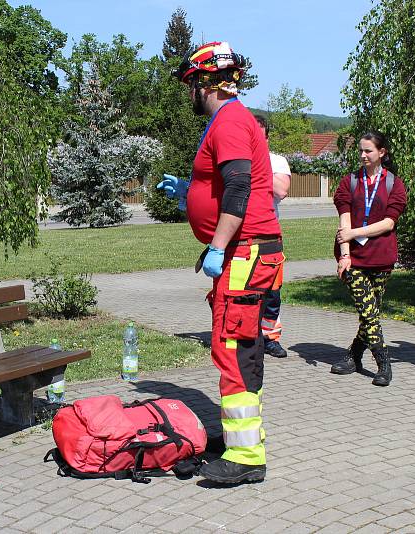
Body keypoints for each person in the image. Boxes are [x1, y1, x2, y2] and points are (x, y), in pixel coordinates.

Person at [157, 41, 283, 484]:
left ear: (204, 81)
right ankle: (241, 441)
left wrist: (219, 245)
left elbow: (237, 188)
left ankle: (247, 458)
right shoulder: (231, 119)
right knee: (241, 345)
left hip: (245, 251)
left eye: (190, 83)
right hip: (243, 249)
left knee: (233, 346)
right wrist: (192, 201)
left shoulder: (229, 121)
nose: (188, 92)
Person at [331, 131, 407, 386]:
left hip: (382, 259)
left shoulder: (394, 184)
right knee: (369, 311)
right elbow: (344, 220)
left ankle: (354, 355)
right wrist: (345, 255)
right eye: (361, 151)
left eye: (368, 151)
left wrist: (355, 232)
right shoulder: (349, 182)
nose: (363, 155)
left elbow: (388, 223)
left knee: (370, 312)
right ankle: (383, 363)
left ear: (381, 153)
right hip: (354, 260)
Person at [255, 115, 291, 358]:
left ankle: (270, 338)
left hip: (268, 236)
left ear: (266, 137)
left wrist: (256, 165)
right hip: (240, 236)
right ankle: (247, 336)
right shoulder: (235, 160)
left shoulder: (276, 161)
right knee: (244, 292)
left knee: (271, 293)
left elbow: (281, 190)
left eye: (259, 134)